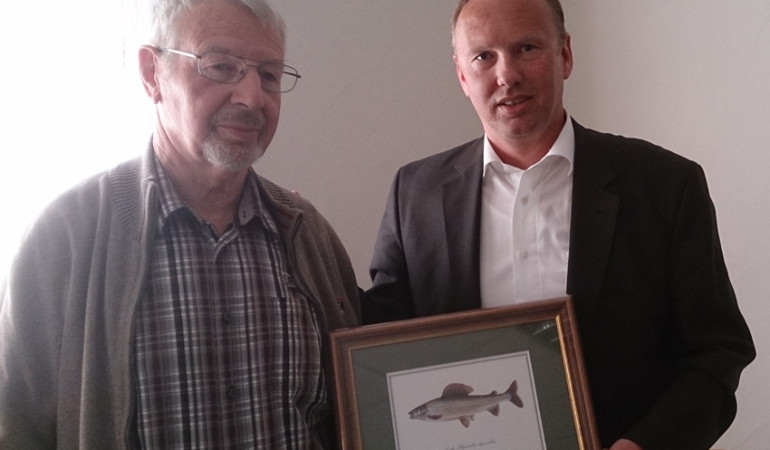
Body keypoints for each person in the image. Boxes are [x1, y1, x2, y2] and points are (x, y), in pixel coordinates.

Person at [363, 0, 755, 449]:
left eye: (526, 48)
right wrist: (307, 254)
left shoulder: (665, 185)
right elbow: (380, 343)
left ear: (565, 55)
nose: (506, 75)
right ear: (462, 75)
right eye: (483, 56)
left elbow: (717, 352)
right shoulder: (415, 193)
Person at [0, 0, 360, 448]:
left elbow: (358, 399)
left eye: (269, 75)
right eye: (221, 66)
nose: (252, 98)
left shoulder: (308, 232)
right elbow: (16, 426)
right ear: (152, 74)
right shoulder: (64, 238)